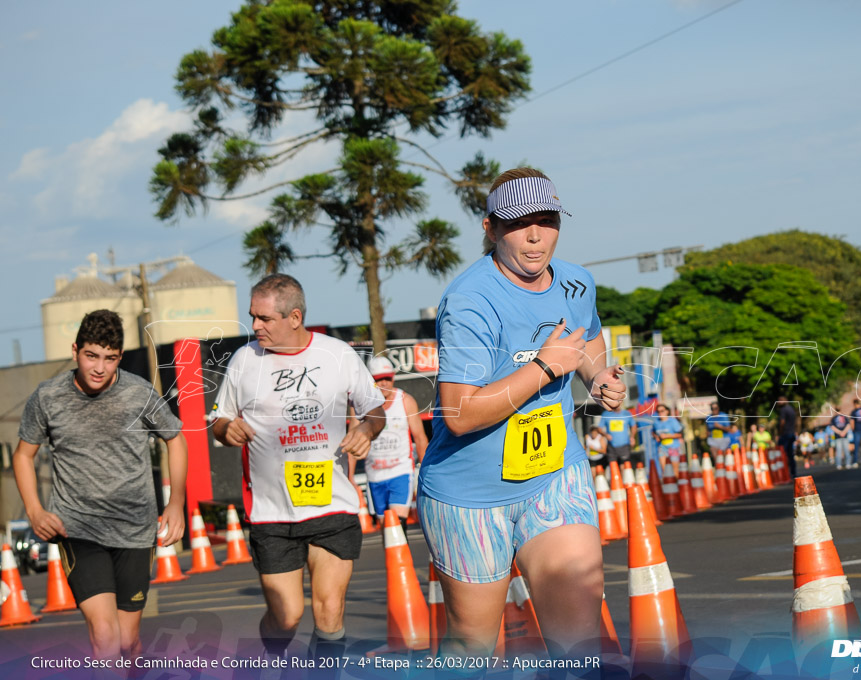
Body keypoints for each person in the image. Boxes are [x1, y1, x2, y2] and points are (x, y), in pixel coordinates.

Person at [416, 167, 626, 659]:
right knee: (473, 647)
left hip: (554, 475)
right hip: (470, 496)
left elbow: (587, 337)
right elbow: (459, 413)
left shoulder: (576, 281)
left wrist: (597, 378)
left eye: (547, 220)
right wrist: (543, 368)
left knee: (578, 631)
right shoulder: (471, 301)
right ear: (490, 229)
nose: (535, 237)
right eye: (517, 224)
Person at [211, 274, 386, 662]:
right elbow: (218, 420)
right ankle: (271, 661)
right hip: (273, 513)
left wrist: (366, 429)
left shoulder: (337, 355)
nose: (254, 326)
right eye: (252, 317)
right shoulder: (245, 360)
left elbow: (375, 411)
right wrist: (228, 428)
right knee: (287, 617)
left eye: (264, 319)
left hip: (333, 504)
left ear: (294, 317)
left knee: (328, 612)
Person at [13, 309, 188, 663]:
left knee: (127, 642)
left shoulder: (139, 393)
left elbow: (176, 438)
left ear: (119, 357)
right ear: (76, 350)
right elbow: (22, 455)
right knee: (106, 638)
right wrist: (34, 510)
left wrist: (175, 504)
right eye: (91, 356)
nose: (99, 367)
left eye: (109, 359)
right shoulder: (48, 397)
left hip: (135, 529)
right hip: (78, 528)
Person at [354, 356, 429, 534]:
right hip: (374, 475)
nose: (384, 383)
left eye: (388, 378)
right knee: (385, 528)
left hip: (400, 472)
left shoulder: (405, 400)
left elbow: (420, 437)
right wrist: (350, 477)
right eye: (379, 379)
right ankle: (393, 561)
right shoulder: (360, 404)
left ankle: (403, 562)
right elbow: (353, 439)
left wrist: (426, 473)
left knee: (397, 523)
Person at [652, 403, 684, 468]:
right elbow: (653, 432)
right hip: (662, 448)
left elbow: (680, 434)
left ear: (667, 411)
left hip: (673, 448)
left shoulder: (672, 421)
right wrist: (656, 437)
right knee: (665, 470)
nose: (660, 413)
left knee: (675, 471)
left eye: (662, 411)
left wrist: (667, 436)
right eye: (658, 411)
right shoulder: (656, 423)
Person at [776, 396, 798, 478]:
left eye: (780, 401)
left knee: (781, 454)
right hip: (791, 434)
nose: (778, 402)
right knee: (790, 455)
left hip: (785, 434)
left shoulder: (783, 410)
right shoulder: (791, 409)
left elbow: (782, 422)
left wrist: (780, 433)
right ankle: (793, 473)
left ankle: (783, 474)